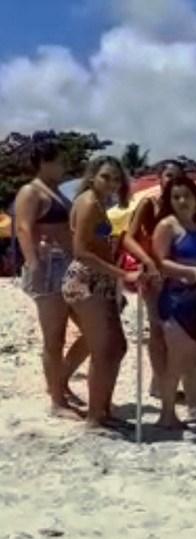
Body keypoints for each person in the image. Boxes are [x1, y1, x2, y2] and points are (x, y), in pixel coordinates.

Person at [13, 136, 90, 417]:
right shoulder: (31, 191)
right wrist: (34, 262)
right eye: (59, 161)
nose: (64, 166)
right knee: (54, 339)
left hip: (69, 267)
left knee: (94, 332)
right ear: (44, 162)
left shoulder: (55, 191)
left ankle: (60, 383)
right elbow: (23, 227)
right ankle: (57, 401)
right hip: (49, 269)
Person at [62, 157, 137, 427]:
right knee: (105, 349)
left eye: (116, 179)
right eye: (106, 177)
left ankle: (103, 411)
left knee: (115, 347)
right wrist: (122, 274)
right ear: (93, 176)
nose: (112, 184)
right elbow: (81, 251)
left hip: (99, 281)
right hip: (87, 281)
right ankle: (96, 416)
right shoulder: (88, 203)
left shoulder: (97, 203)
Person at [152, 176, 196, 429]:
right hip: (176, 298)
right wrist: (190, 273)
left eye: (186, 196)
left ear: (195, 197)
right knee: (176, 360)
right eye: (175, 197)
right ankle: (167, 414)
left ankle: (195, 409)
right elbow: (160, 263)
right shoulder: (167, 226)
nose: (181, 201)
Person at [122, 160, 181, 396]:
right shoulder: (150, 204)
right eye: (168, 175)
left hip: (176, 273)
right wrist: (146, 261)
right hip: (153, 274)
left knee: (174, 330)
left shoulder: (182, 205)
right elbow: (128, 237)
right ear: (160, 178)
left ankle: (162, 383)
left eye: (177, 176)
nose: (172, 180)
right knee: (157, 328)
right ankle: (160, 384)